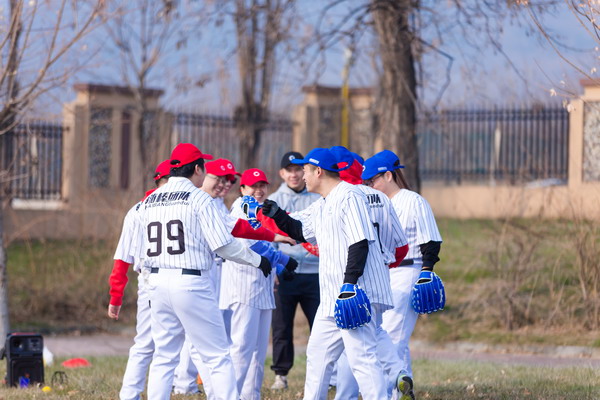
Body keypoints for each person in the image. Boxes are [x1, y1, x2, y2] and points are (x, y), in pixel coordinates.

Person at [131, 143, 273, 400]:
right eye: (203, 167)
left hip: (156, 282)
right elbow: (224, 245)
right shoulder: (199, 198)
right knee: (218, 356)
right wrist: (257, 260)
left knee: (164, 357)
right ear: (197, 169)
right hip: (190, 282)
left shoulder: (149, 200)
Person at [261, 147, 394, 400]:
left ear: (318, 171)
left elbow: (359, 242)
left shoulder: (349, 196)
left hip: (354, 292)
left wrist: (349, 286)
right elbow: (300, 231)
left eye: (305, 170)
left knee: (361, 359)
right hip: (332, 298)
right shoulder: (323, 203)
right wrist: (276, 214)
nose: (302, 175)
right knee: (318, 355)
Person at [327, 146, 411, 399]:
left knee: (355, 350)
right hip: (379, 276)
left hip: (349, 280)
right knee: (375, 332)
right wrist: (387, 263)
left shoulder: (337, 198)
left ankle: (353, 395)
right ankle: (397, 371)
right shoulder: (380, 197)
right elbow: (401, 245)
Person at [361, 150, 443, 400]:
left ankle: (389, 393)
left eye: (373, 179)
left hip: (408, 270)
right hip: (382, 274)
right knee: (389, 336)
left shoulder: (412, 200)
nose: (370, 185)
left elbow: (430, 240)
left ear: (388, 175)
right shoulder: (373, 203)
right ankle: (404, 390)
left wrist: (427, 272)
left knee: (394, 335)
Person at [220, 168, 298, 399]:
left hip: (260, 289)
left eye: (262, 185)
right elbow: (249, 243)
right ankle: (230, 395)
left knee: (257, 351)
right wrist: (281, 259)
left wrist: (279, 263)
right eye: (253, 185)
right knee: (242, 349)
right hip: (243, 288)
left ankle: (250, 395)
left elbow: (259, 236)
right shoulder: (242, 206)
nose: (259, 190)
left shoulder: (254, 209)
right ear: (242, 189)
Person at [107, 159, 171, 400]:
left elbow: (122, 259)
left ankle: (130, 394)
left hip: (149, 282)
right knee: (153, 344)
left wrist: (116, 296)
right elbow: (123, 256)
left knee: (146, 343)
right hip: (164, 281)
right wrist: (115, 295)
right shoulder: (182, 205)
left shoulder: (137, 208)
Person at [267, 151, 321, 390]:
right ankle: (281, 374)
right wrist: (277, 267)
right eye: (289, 170)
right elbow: (268, 239)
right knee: (281, 326)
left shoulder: (317, 197)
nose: (295, 174)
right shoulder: (274, 199)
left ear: (304, 171)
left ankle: (325, 374)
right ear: (282, 173)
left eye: (299, 169)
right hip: (285, 272)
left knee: (320, 326)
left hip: (314, 272)